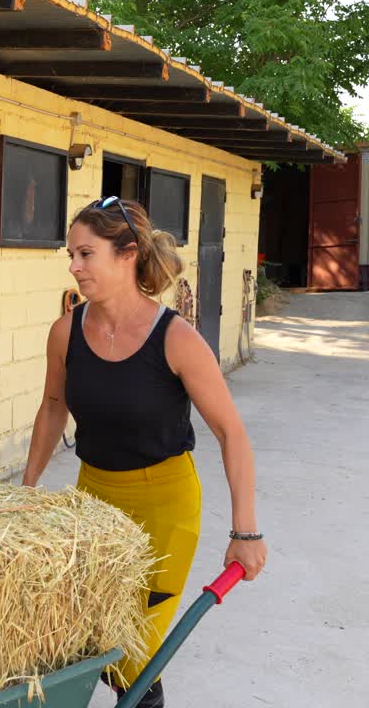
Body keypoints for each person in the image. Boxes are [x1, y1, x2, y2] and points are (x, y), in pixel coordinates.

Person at [21, 196, 266, 708]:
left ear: (127, 254)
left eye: (86, 254)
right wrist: (26, 491)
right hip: (94, 502)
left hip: (165, 507)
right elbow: (51, 409)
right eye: (71, 254)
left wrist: (245, 531)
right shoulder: (66, 331)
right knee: (87, 642)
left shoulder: (175, 338)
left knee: (132, 650)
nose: (74, 266)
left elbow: (231, 432)